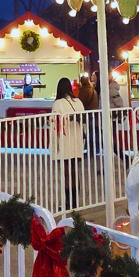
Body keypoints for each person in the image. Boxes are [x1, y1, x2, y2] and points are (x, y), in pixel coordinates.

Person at [51, 77, 86, 208]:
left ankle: (68, 202)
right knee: (74, 171)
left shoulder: (58, 104)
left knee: (66, 172)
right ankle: (75, 201)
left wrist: (54, 146)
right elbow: (84, 122)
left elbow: (55, 127)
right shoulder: (78, 102)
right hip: (77, 140)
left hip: (65, 140)